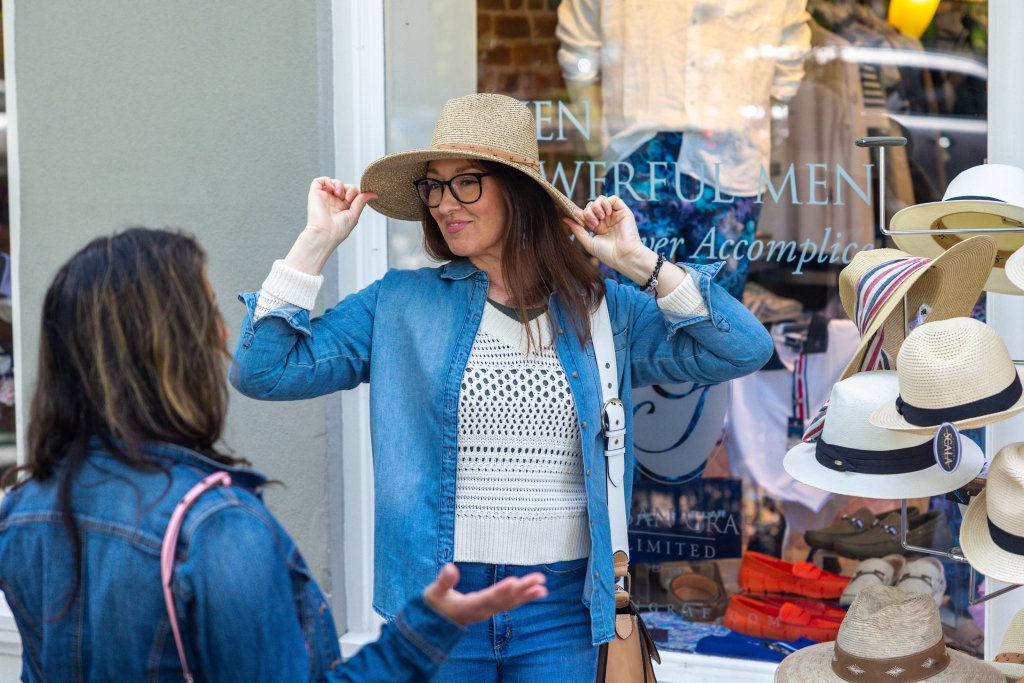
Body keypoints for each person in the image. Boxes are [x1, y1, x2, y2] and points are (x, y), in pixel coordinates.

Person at [231, 93, 773, 680]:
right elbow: (264, 370)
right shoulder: (399, 304)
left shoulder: (604, 311)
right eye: (434, 187)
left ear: (518, 189)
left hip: (562, 606)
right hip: (442, 599)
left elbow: (743, 348)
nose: (443, 203)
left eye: (465, 183)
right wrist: (315, 242)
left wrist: (640, 263)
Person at [0, 228, 547, 683]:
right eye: (211, 312)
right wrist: (420, 634)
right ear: (174, 348)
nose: (222, 332)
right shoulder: (216, 530)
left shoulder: (24, 510)